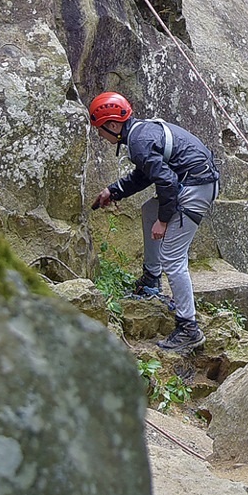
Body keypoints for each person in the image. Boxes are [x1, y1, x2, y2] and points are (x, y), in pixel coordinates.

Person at [87, 91, 220, 353]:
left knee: (173, 257)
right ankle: (151, 280)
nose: (100, 136)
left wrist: (164, 220)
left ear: (113, 125)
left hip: (196, 187)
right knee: (150, 209)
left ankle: (188, 328)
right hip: (194, 182)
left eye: (100, 130)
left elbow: (167, 182)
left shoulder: (138, 140)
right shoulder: (140, 134)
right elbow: (146, 175)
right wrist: (113, 191)